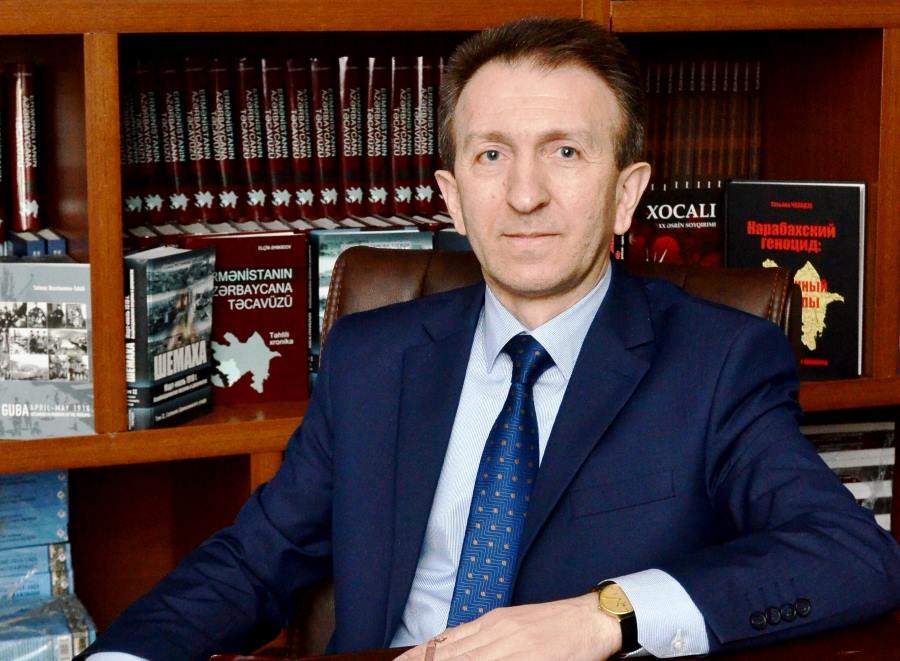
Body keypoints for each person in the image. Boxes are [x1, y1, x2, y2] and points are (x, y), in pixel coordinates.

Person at [83, 17, 900, 661]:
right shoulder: (371, 358)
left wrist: (605, 614)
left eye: (565, 152)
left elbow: (850, 556)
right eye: (491, 155)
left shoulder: (719, 363)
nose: (524, 194)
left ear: (626, 194)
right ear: (453, 196)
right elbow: (249, 562)